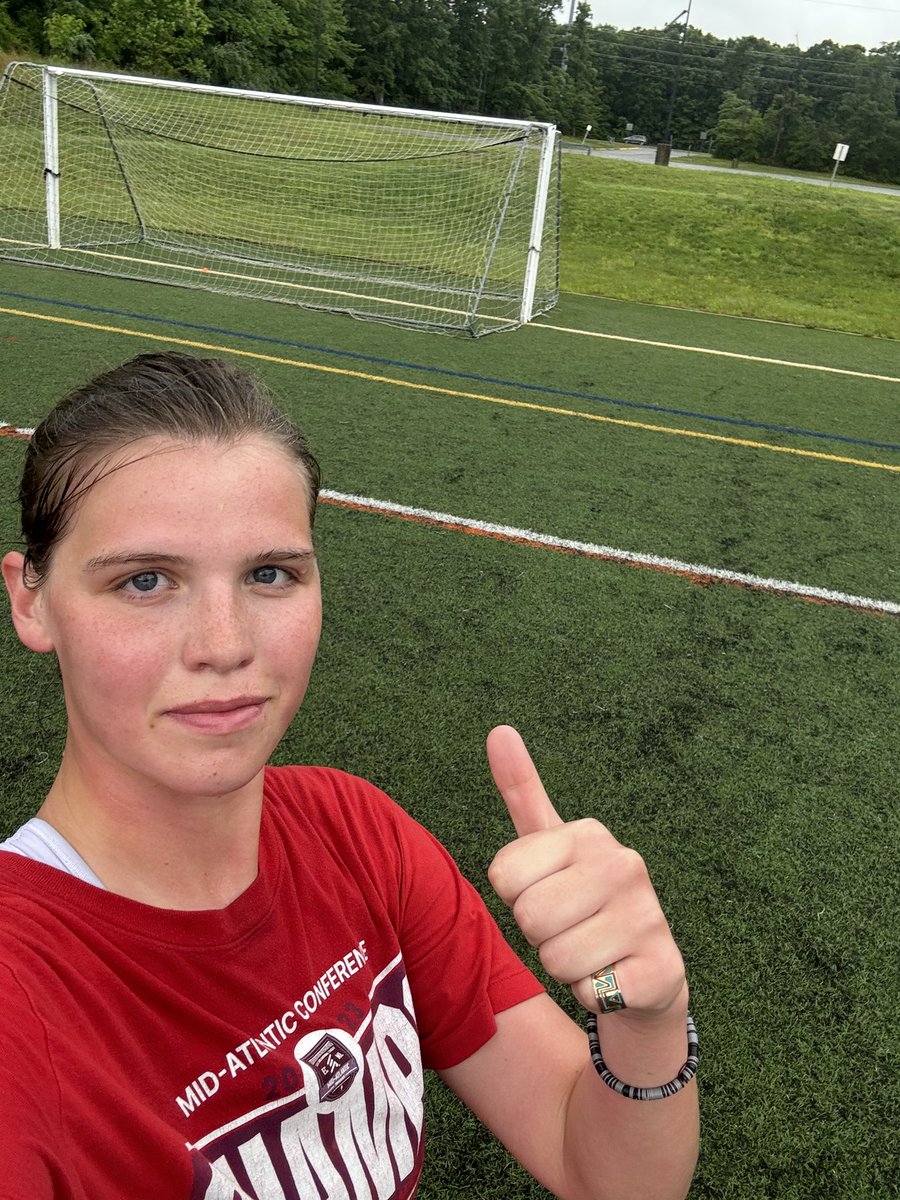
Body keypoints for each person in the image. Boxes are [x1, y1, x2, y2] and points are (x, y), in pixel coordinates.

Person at [0, 352, 699, 1200]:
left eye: (270, 575)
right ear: (31, 599)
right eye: (145, 581)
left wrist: (651, 1022)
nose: (223, 645)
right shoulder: (23, 1004)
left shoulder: (354, 832)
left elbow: (603, 1174)